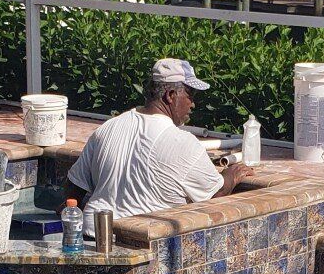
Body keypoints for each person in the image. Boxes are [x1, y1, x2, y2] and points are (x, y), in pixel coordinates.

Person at [65, 58, 252, 223]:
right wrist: (231, 175)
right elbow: (214, 193)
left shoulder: (108, 127)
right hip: (137, 240)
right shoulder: (183, 143)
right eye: (190, 95)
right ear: (170, 95)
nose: (193, 104)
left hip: (92, 230)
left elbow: (74, 187)